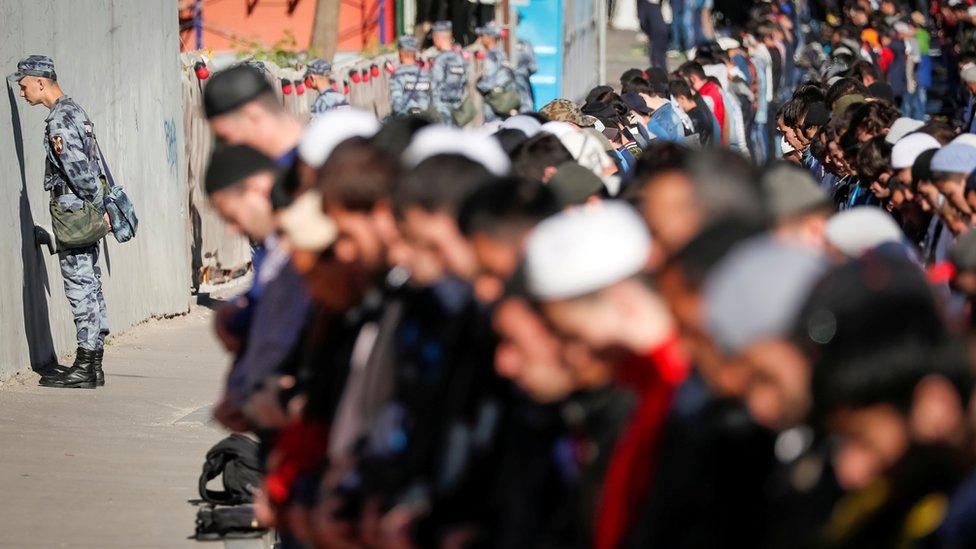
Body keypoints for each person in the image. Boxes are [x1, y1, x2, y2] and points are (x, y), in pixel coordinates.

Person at [12, 55, 110, 389]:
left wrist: (93, 209)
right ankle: (93, 364)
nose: (23, 93)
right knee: (91, 284)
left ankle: (84, 367)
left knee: (80, 286)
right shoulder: (75, 111)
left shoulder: (59, 120)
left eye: (25, 85)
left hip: (75, 214)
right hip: (84, 212)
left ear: (40, 82)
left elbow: (80, 172)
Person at [476, 21, 520, 122]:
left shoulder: (491, 56)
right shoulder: (500, 53)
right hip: (502, 100)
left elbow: (488, 82)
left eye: (483, 35)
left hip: (494, 103)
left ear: (489, 37)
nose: (481, 38)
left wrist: (477, 85)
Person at [429, 20, 470, 126]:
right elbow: (465, 81)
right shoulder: (460, 59)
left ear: (437, 37)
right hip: (458, 109)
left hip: (442, 110)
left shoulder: (440, 60)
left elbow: (434, 87)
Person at [389, 36, 432, 118]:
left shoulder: (397, 76)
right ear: (415, 53)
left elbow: (396, 104)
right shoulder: (425, 74)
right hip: (424, 119)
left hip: (406, 121)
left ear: (401, 53)